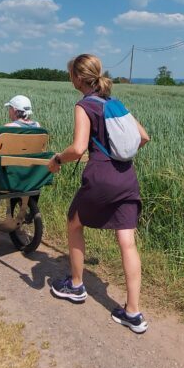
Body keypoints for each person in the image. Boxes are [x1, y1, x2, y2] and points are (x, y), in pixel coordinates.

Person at [47, 54, 151, 333]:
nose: (71, 78)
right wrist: (118, 154)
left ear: (78, 78)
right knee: (126, 241)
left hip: (101, 177)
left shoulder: (84, 106)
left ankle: (77, 285)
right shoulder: (114, 103)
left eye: (71, 74)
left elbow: (78, 148)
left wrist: (57, 159)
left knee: (73, 222)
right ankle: (133, 312)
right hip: (127, 177)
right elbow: (143, 137)